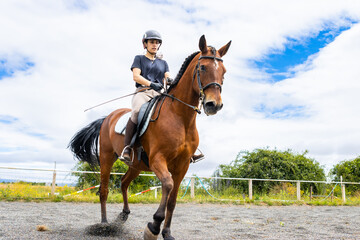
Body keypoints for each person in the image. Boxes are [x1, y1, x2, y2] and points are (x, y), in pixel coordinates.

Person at [119, 30, 204, 165]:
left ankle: (190, 148)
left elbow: (167, 76)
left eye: (157, 43)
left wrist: (170, 80)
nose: (155, 45)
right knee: (135, 112)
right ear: (145, 44)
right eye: (152, 42)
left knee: (176, 113)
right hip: (143, 92)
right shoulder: (139, 59)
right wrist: (151, 83)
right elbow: (136, 76)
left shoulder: (163, 62)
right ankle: (127, 148)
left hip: (160, 93)